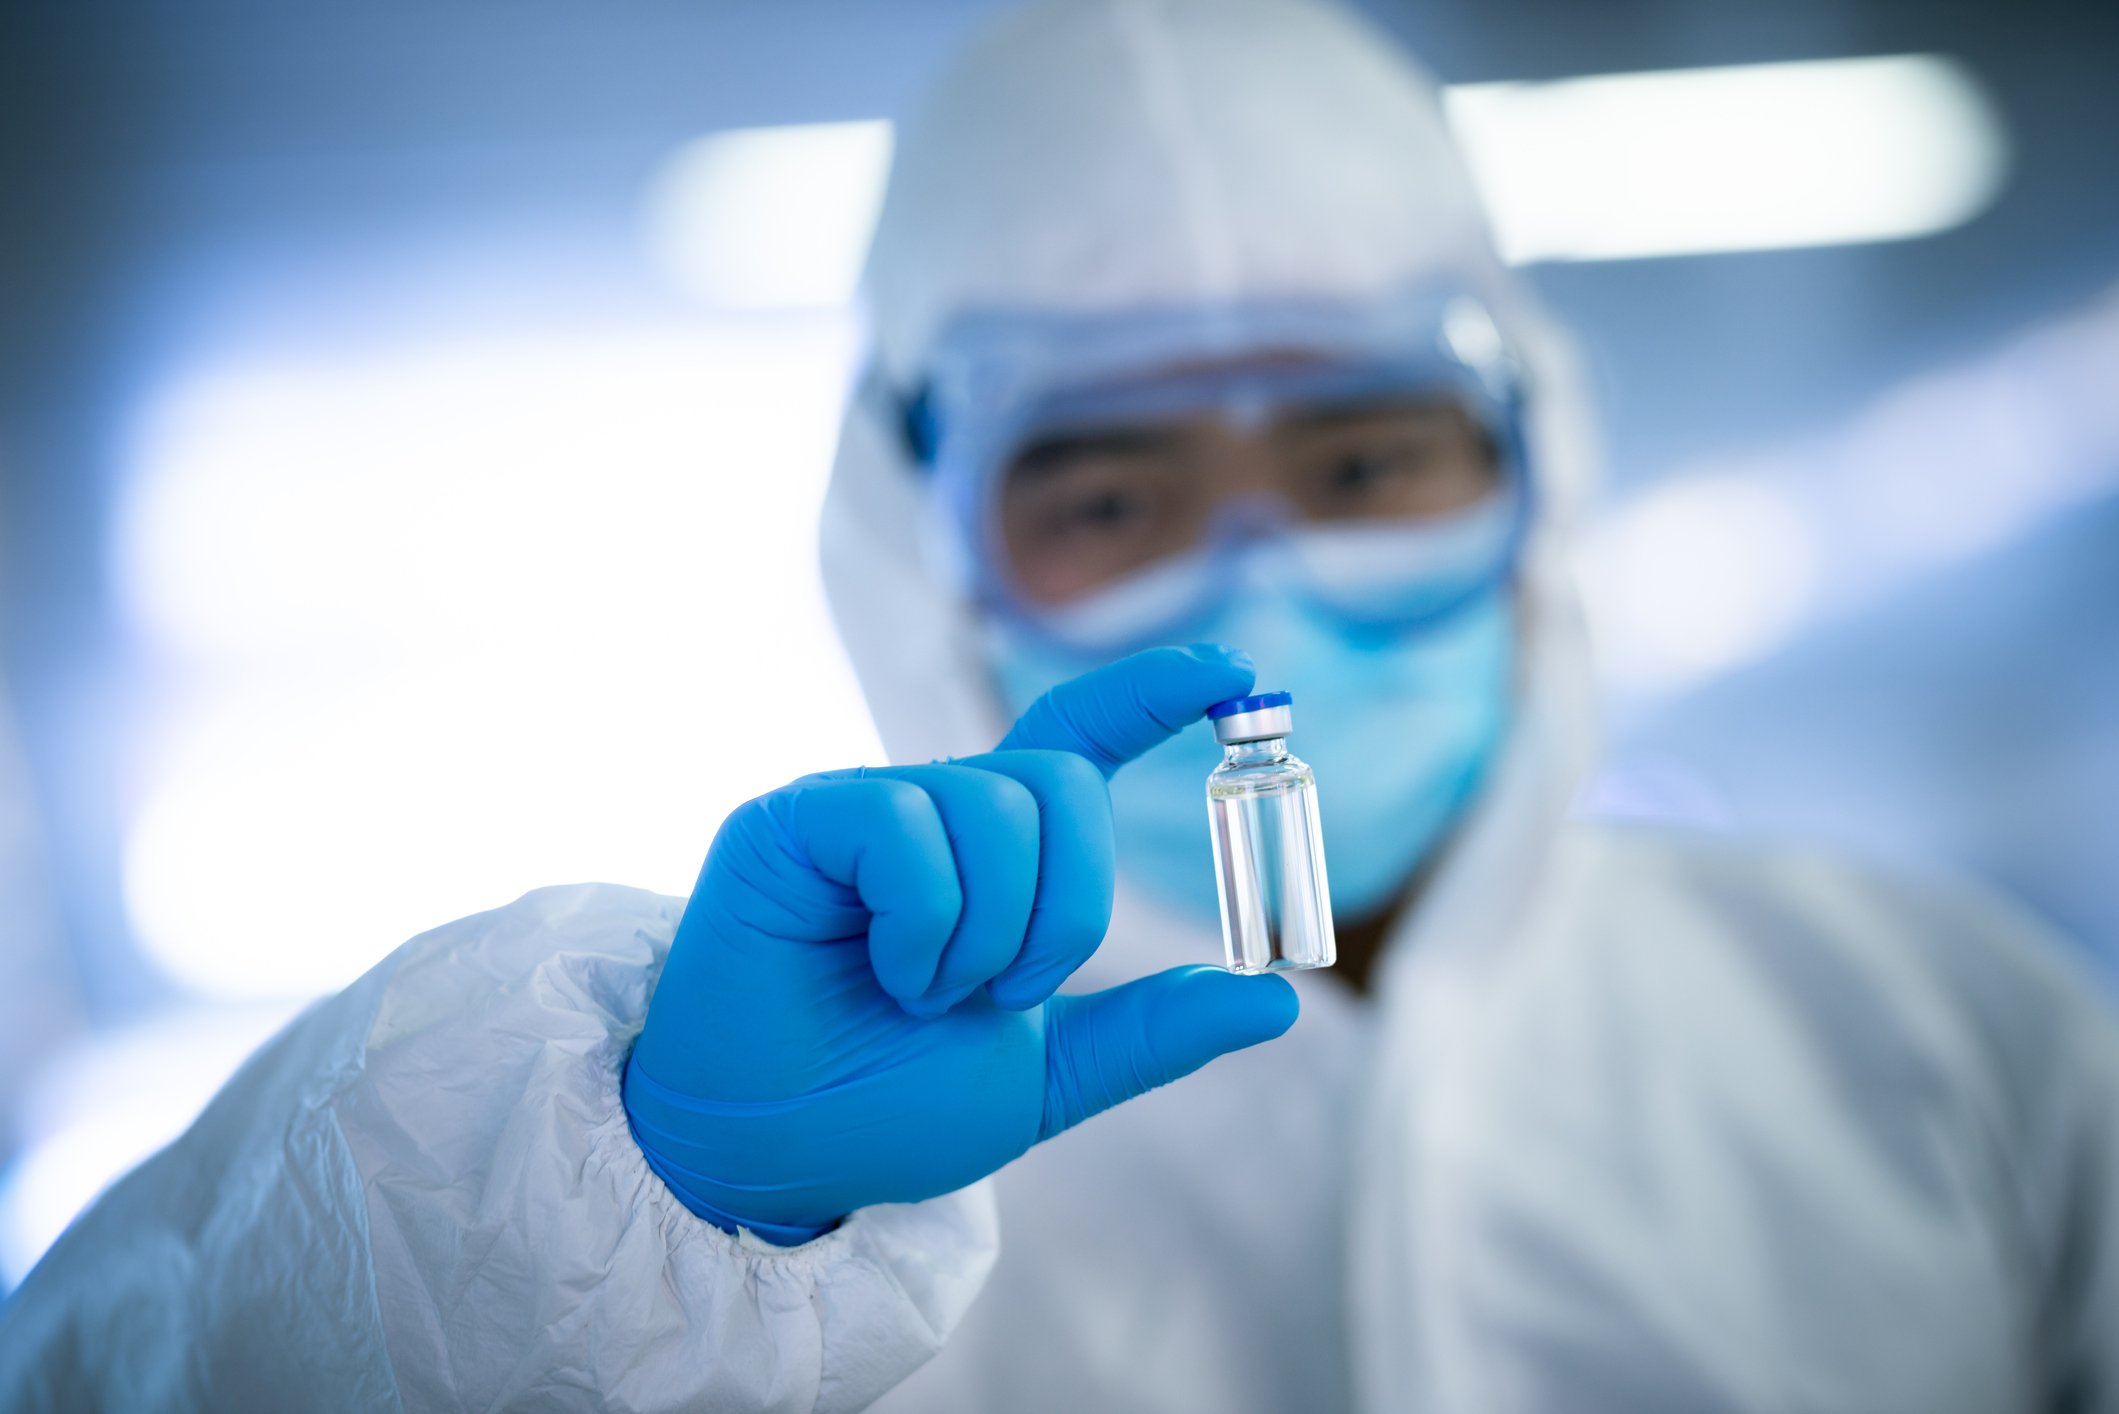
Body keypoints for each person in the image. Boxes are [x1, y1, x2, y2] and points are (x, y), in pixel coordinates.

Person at [3, 0, 2115, 1410]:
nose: (1265, 580)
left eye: (1367, 459)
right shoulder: (774, 1143)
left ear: (1534, 460)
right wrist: (625, 1215)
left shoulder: (1947, 1040)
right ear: (912, 542)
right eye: (1110, 496)